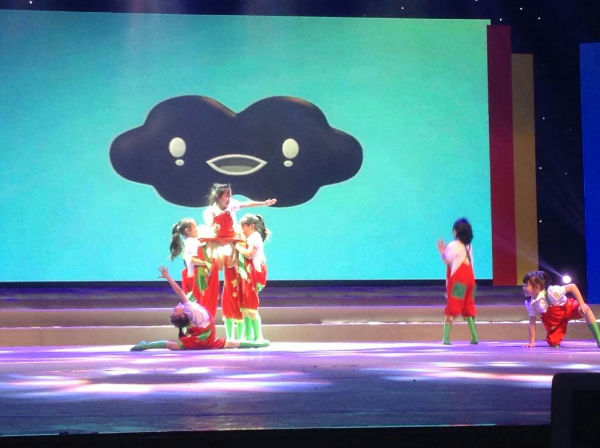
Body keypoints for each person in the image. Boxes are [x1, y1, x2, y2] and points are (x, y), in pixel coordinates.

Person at [202, 183, 276, 341]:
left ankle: (253, 336)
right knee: (219, 264)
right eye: (226, 195)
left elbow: (247, 204)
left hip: (233, 240)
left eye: (230, 195)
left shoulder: (233, 207)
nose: (229, 198)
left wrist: (264, 203)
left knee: (247, 303)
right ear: (219, 196)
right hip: (221, 241)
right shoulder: (211, 211)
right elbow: (211, 229)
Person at [130, 267, 268, 351]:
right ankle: (257, 345)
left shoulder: (189, 311)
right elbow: (179, 290)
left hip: (204, 335)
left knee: (176, 346)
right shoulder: (189, 308)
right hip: (206, 334)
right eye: (175, 311)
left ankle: (146, 345)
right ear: (182, 315)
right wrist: (168, 277)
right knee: (229, 343)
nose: (175, 308)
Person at [522, 270, 600, 348]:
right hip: (555, 322)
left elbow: (572, 287)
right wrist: (531, 342)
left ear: (537, 287)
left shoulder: (552, 291)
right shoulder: (530, 303)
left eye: (526, 285)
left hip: (569, 308)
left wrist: (582, 304)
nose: (523, 288)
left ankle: (598, 338)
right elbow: (532, 323)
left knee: (586, 309)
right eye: (523, 285)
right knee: (553, 343)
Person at [437, 218, 478, 345]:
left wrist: (442, 251)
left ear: (456, 231)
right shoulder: (469, 246)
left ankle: (446, 338)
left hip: (459, 280)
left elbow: (447, 261)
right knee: (468, 306)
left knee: (452, 307)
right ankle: (475, 337)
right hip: (471, 280)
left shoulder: (454, 245)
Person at [169, 218, 218, 316]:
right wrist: (205, 263)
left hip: (196, 278)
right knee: (198, 307)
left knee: (197, 307)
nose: (197, 229)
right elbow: (192, 259)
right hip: (195, 281)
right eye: (195, 227)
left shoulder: (193, 240)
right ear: (187, 230)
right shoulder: (191, 242)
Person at [235, 214, 270, 344]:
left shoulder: (255, 236)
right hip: (248, 274)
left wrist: (237, 246)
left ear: (251, 226)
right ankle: (248, 337)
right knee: (245, 308)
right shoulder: (249, 237)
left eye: (243, 226)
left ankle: (258, 337)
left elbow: (250, 255)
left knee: (251, 307)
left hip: (255, 274)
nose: (242, 229)